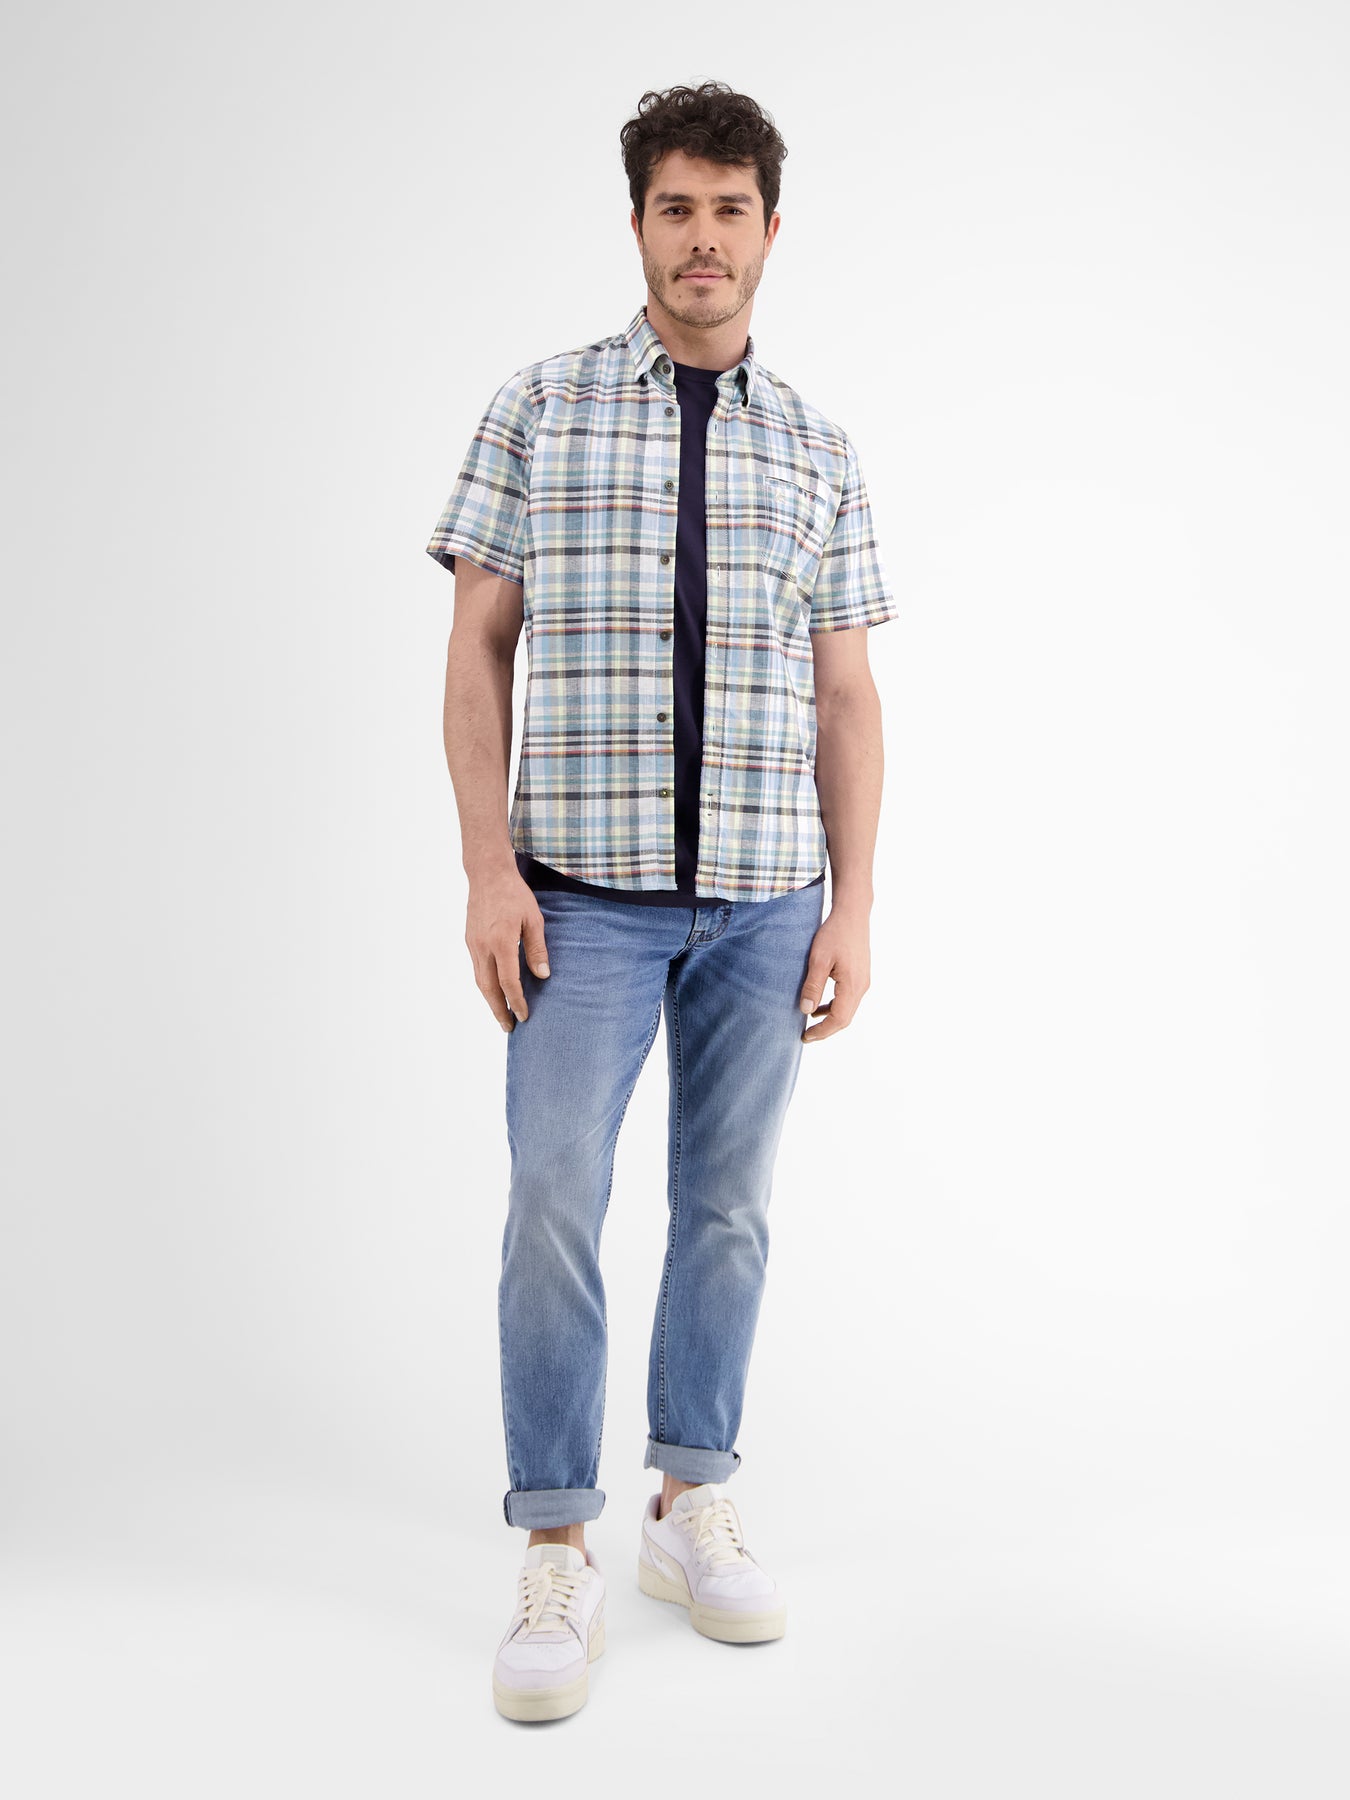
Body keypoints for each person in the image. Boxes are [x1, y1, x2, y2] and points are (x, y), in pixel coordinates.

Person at [426, 80, 898, 1722]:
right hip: (580, 901)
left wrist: (852, 904)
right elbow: (475, 649)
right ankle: (555, 1542)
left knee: (728, 1210)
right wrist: (486, 869)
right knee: (553, 1200)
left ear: (770, 228)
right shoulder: (539, 408)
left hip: (766, 900)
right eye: (676, 209)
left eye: (730, 210)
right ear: (637, 224)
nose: (704, 239)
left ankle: (689, 1500)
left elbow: (846, 695)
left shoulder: (818, 446)